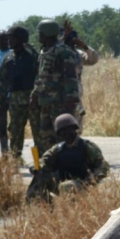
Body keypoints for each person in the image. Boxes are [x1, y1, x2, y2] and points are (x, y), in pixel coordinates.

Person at [26, 113, 108, 202]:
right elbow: (45, 160)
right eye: (62, 131)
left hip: (83, 183)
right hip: (61, 182)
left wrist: (90, 181)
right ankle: (45, 206)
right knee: (39, 177)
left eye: (68, 130)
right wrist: (36, 166)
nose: (66, 133)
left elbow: (103, 166)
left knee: (66, 186)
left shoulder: (87, 146)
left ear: (74, 129)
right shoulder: (58, 149)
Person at [30, 19, 81, 155]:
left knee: (62, 134)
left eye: (40, 33)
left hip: (60, 103)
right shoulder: (44, 51)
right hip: (45, 102)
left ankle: (66, 163)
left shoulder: (63, 51)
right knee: (45, 135)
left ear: (47, 33)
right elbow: (40, 77)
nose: (38, 35)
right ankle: (49, 165)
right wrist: (34, 96)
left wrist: (71, 100)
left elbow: (70, 77)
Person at [0, 25, 39, 162]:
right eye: (8, 38)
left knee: (38, 133)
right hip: (15, 101)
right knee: (15, 132)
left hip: (33, 100)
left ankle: (39, 163)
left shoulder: (33, 56)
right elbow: (2, 82)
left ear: (21, 39)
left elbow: (40, 76)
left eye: (12, 38)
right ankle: (15, 160)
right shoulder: (8, 58)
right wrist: (1, 101)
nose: (9, 41)